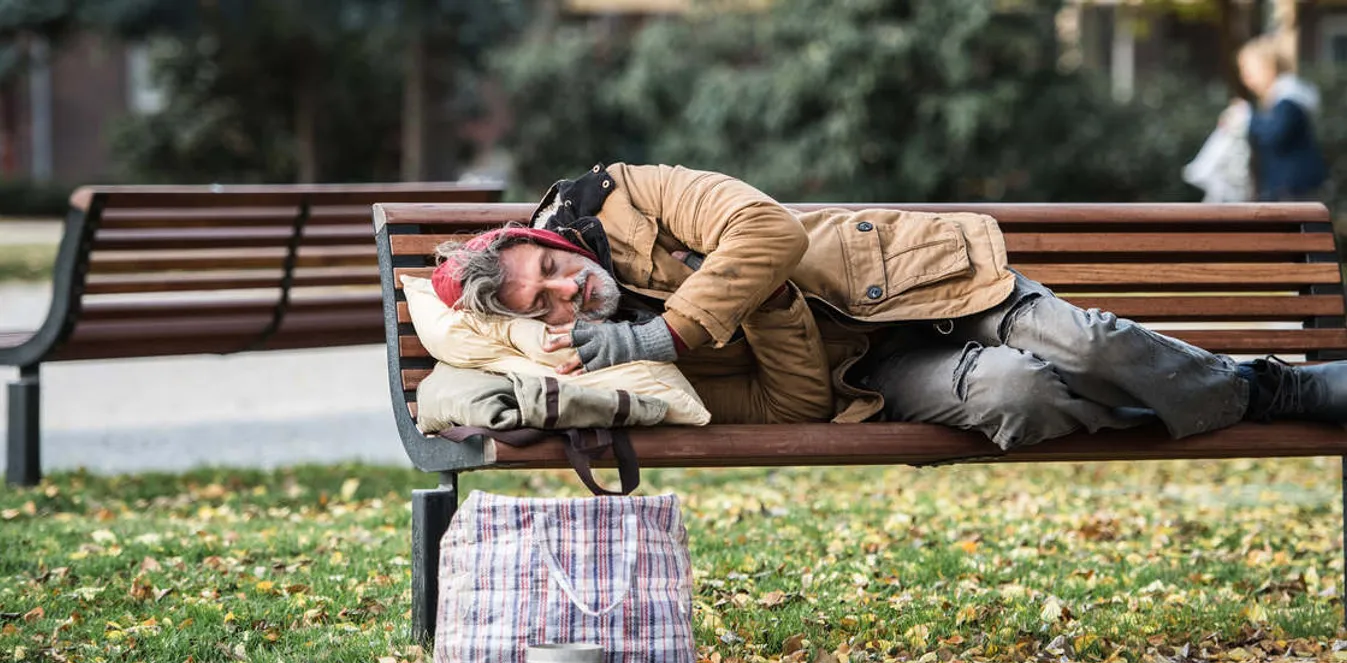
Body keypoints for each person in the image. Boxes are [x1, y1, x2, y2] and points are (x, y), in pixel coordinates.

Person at [431, 162, 1347, 449]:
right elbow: (792, 405)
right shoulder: (616, 363)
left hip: (912, 281)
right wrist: (753, 310)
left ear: (545, 240)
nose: (562, 289)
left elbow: (764, 228)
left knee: (1083, 342)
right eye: (541, 303)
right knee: (1017, 399)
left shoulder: (626, 191)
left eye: (545, 267)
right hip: (877, 369)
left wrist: (667, 326)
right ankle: (1229, 396)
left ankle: (1266, 389)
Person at [1230, 34, 1328, 201]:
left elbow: (1275, 136)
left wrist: (1247, 118)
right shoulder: (1282, 98)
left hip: (1294, 189)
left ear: (1269, 67)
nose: (1245, 79)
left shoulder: (1289, 100)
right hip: (1289, 188)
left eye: (1249, 70)